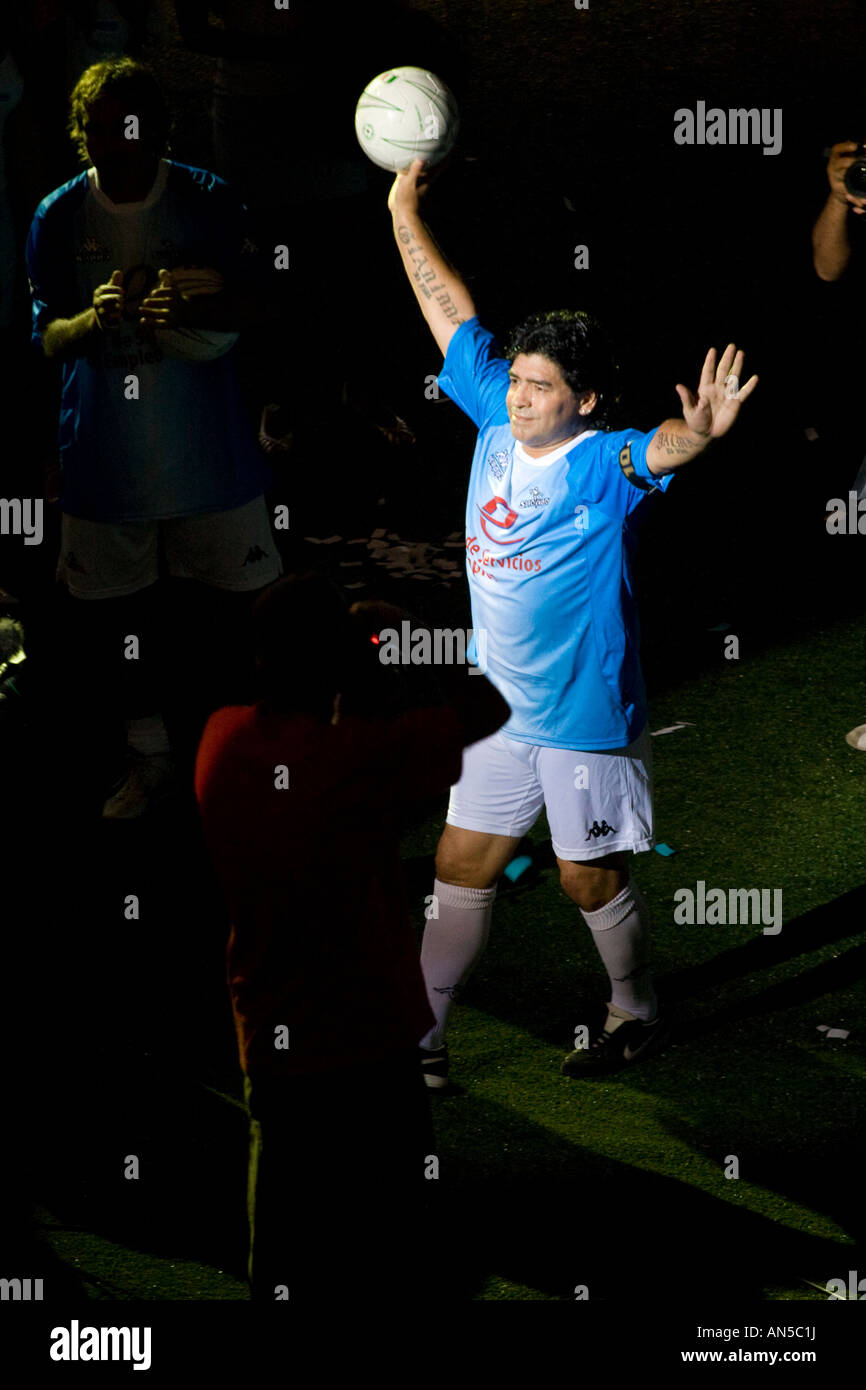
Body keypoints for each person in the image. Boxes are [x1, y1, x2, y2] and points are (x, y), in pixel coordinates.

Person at [388, 158, 758, 1085]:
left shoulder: (603, 461)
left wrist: (703, 437)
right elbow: (447, 312)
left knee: (585, 877)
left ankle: (635, 1010)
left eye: (541, 387)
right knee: (459, 867)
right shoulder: (490, 420)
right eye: (516, 379)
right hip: (498, 713)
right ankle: (421, 1041)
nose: (517, 396)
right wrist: (401, 209)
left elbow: (660, 453)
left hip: (585, 716)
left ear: (585, 401)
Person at [194, 573, 509, 1298]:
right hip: (372, 1031)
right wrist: (409, 631)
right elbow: (488, 703)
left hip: (270, 1028)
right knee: (394, 1234)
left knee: (284, 1235)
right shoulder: (363, 756)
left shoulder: (222, 737)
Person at [25, 56, 280, 816]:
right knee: (119, 618)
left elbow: (255, 309)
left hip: (212, 456)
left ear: (159, 128)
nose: (116, 144)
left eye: (129, 128)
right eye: (99, 132)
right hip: (105, 460)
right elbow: (47, 340)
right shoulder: (58, 216)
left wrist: (209, 306)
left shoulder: (207, 200)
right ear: (83, 137)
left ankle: (262, 751)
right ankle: (152, 755)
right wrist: (90, 318)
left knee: (251, 604)